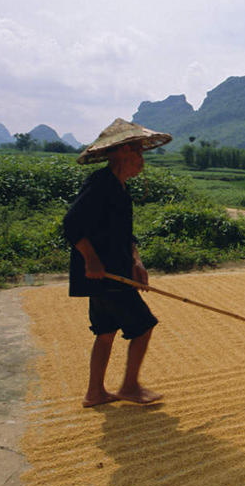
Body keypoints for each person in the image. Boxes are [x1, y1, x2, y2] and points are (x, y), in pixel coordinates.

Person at [63, 118, 172, 407]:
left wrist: (137, 262)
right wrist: (91, 260)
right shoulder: (100, 184)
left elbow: (124, 235)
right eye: (138, 152)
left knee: (106, 331)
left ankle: (95, 393)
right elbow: (71, 225)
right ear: (123, 151)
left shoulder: (118, 188)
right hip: (106, 275)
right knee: (144, 326)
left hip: (113, 273)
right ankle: (130, 386)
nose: (142, 159)